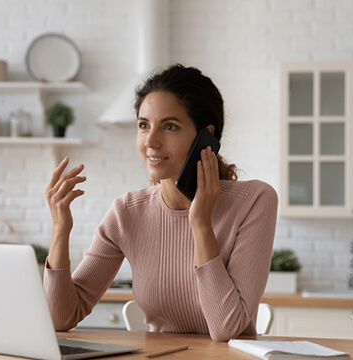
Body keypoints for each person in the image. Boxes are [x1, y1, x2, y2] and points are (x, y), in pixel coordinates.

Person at [43, 64, 278, 341]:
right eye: (144, 126)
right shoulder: (127, 212)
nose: (151, 141)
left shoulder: (254, 201)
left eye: (169, 126)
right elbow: (60, 319)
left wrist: (201, 224)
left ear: (206, 136)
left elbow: (227, 329)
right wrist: (60, 229)